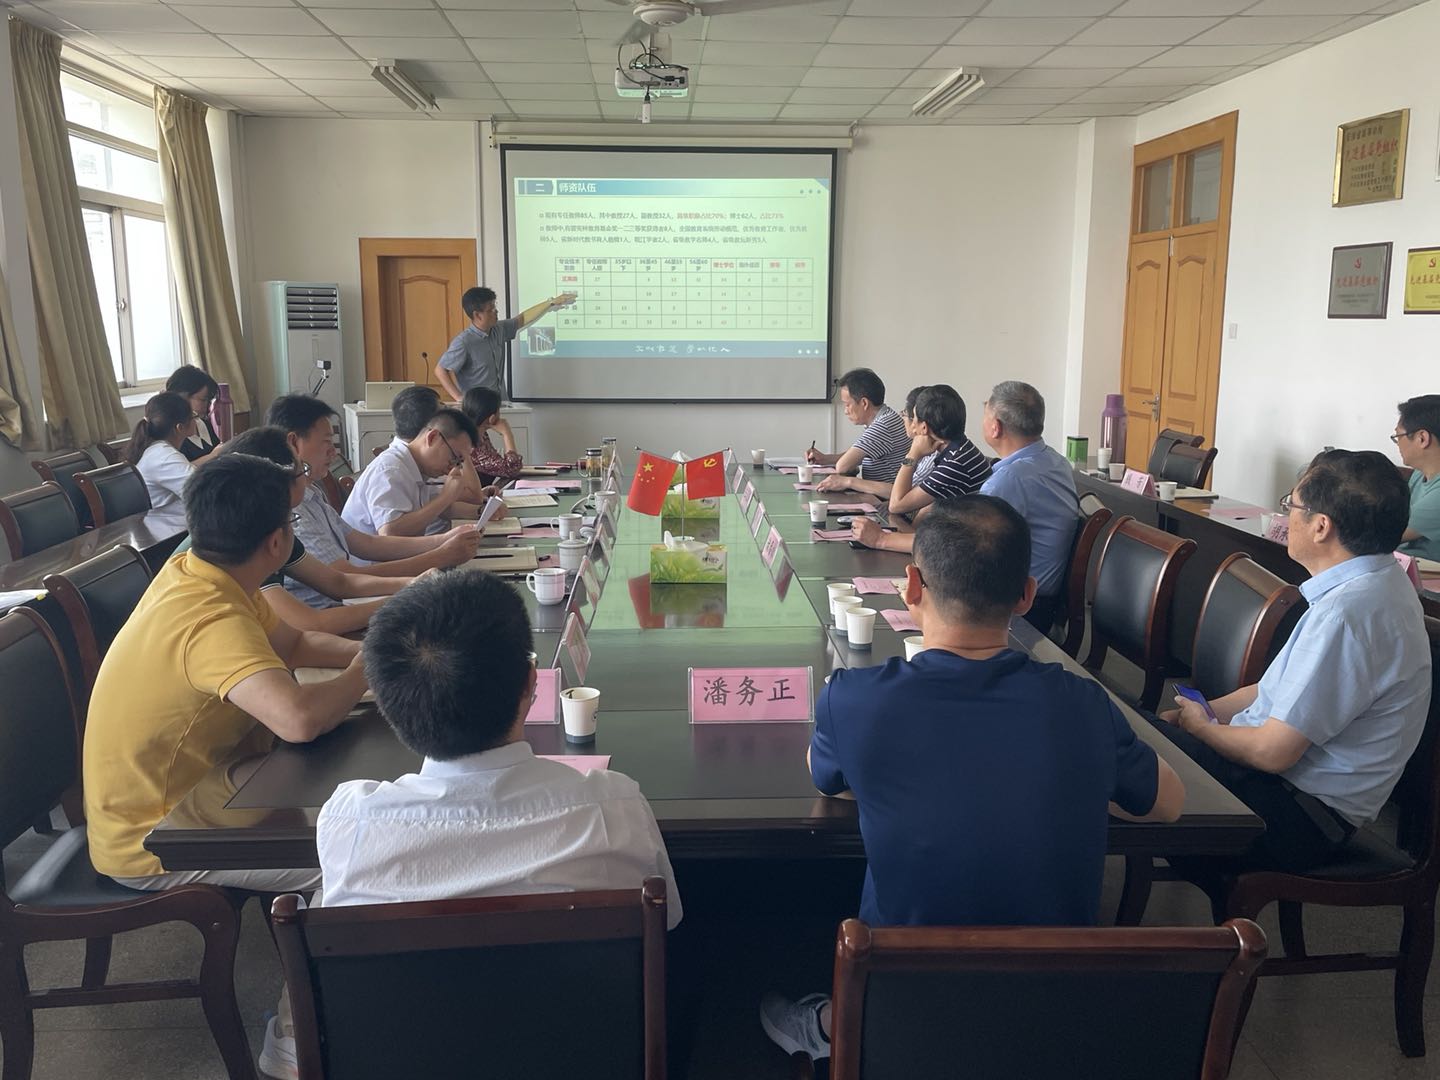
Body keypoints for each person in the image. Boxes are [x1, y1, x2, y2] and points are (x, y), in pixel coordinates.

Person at [759, 497, 1184, 1061]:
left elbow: (826, 780)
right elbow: (1168, 803)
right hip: (1058, 1011)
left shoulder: (854, 700)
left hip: (904, 1011)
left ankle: (834, 1023)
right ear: (1026, 595)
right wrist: (1077, 775)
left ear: (913, 585)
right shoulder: (1083, 705)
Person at [317, 570, 682, 913]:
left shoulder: (348, 823)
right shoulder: (614, 808)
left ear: (384, 699)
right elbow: (667, 921)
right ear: (531, 682)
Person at [1157, 449, 1432, 876]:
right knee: (1135, 739)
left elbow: (1272, 752)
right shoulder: (1374, 583)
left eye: (1292, 505)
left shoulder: (1349, 613)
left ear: (1321, 526)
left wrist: (1202, 728)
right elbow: (1273, 689)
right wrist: (1203, 712)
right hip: (1285, 792)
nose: (1287, 516)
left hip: (1295, 817)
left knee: (1119, 750)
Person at [173, 428, 414, 635]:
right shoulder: (243, 546)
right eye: (302, 469)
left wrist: (413, 586)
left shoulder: (256, 524)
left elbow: (337, 582)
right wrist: (404, 600)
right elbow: (310, 625)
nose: (307, 478)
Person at [266, 395, 482, 609]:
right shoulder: (293, 510)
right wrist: (439, 556)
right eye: (326, 442)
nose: (334, 451)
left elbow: (367, 544)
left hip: (358, 596)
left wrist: (443, 541)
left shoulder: (311, 494)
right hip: (343, 605)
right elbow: (343, 579)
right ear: (294, 443)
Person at [342, 408, 494, 537]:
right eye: (454, 457)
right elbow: (390, 533)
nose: (453, 467)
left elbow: (442, 510)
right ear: (432, 438)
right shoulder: (392, 469)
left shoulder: (420, 468)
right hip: (377, 563)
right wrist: (446, 497)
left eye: (459, 462)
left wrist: (482, 511)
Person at [433, 286, 577, 401]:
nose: (496, 311)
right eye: (491, 310)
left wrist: (550, 303)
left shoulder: (498, 329)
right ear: (477, 315)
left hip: (500, 403)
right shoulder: (464, 341)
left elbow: (522, 318)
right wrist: (459, 397)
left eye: (495, 307)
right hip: (477, 409)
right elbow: (440, 370)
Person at [803, 368, 910, 484]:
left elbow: (842, 466)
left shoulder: (883, 426)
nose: (845, 411)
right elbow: (858, 454)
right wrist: (824, 459)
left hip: (885, 494)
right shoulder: (887, 417)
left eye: (847, 404)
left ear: (864, 403)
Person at [124, 391, 195, 511]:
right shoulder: (164, 456)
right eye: (193, 416)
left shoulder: (155, 450)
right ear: (180, 427)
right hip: (165, 521)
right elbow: (204, 490)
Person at [1394, 394, 1440, 562]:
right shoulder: (1421, 473)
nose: (1398, 444)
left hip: (1427, 574)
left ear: (1422, 438)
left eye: (1398, 437)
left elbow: (1384, 536)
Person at [460, 385, 524, 484]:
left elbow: (497, 463)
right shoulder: (473, 446)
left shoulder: (480, 435)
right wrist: (507, 434)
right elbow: (511, 469)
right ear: (492, 418)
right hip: (475, 493)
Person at [165, 365, 222, 464]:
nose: (208, 405)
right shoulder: (170, 434)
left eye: (209, 400)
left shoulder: (203, 423)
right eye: (203, 400)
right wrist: (213, 455)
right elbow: (180, 469)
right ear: (181, 397)